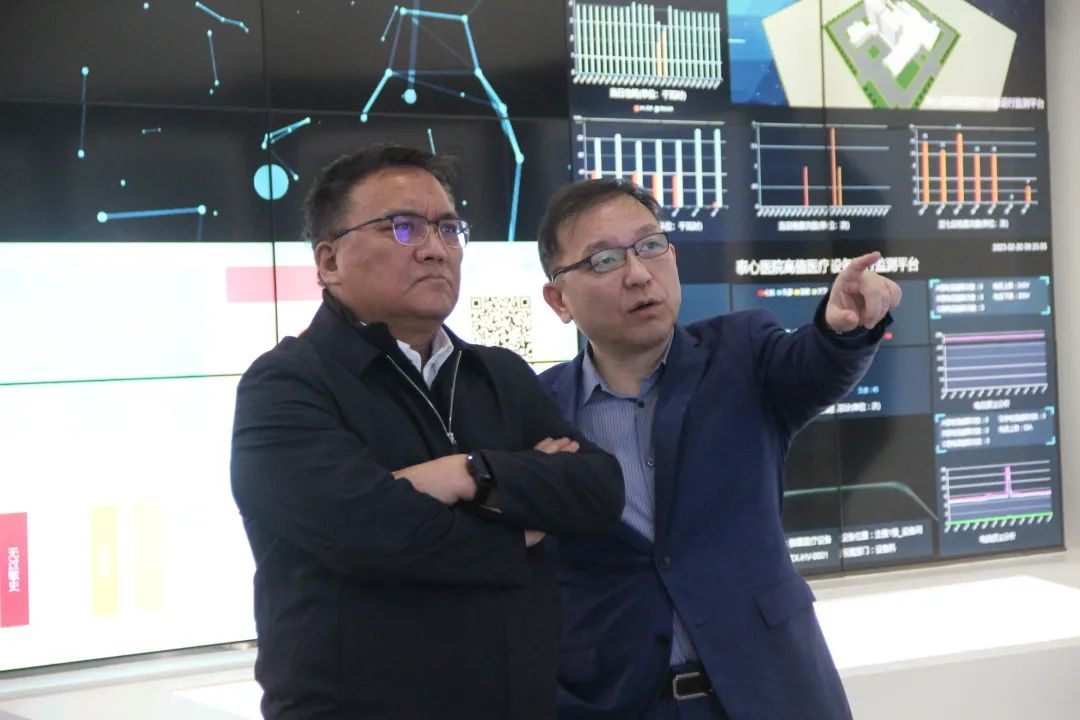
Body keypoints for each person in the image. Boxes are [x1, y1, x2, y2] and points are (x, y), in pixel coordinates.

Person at [230, 145, 624, 720]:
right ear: (329, 261)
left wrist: (467, 473)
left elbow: (597, 489)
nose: (436, 249)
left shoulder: (499, 373)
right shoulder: (286, 384)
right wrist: (521, 527)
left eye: (448, 228)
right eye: (403, 227)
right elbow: (371, 532)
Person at [535, 178, 902, 720]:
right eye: (605, 260)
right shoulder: (536, 412)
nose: (638, 274)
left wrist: (842, 329)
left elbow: (813, 363)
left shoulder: (741, 353)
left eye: (650, 246)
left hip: (772, 694)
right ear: (559, 300)